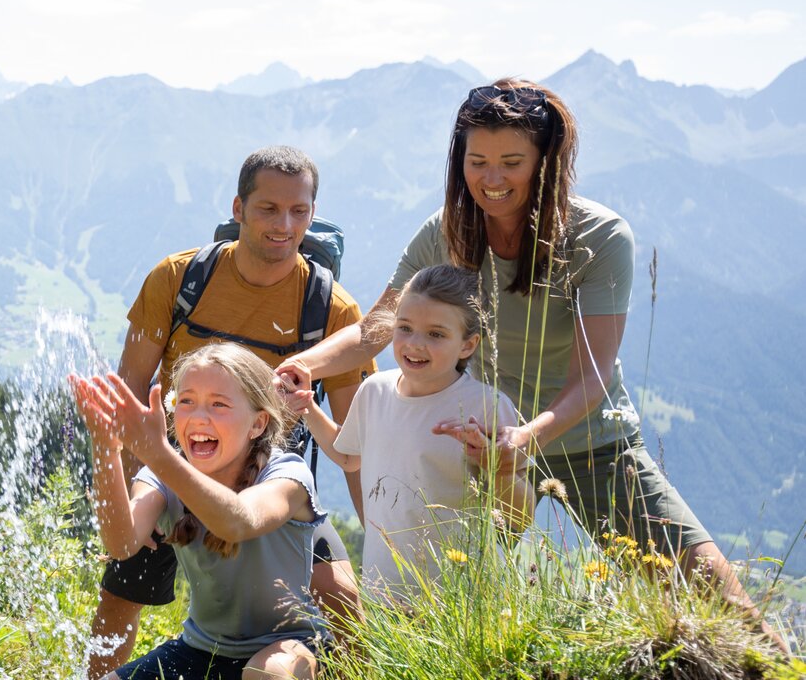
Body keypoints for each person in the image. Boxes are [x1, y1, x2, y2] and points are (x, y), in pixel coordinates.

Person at [275, 78, 785, 648]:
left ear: (547, 160)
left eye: (512, 162)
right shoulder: (446, 230)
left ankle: (774, 660)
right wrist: (305, 367)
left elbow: (593, 376)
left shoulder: (598, 237)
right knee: (444, 612)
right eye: (477, 162)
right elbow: (376, 328)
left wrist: (523, 439)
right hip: (476, 445)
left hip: (590, 442)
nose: (492, 180)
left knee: (714, 596)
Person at [90, 146, 374, 679]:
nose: (284, 225)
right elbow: (130, 393)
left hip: (271, 477)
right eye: (268, 208)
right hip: (180, 459)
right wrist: (134, 480)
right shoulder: (178, 280)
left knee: (343, 603)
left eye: (299, 211)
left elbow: (359, 439)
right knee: (120, 597)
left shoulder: (333, 309)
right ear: (238, 208)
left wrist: (380, 538)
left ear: (313, 214)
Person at [72, 343, 328, 679]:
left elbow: (238, 522)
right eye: (186, 401)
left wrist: (160, 455)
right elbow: (121, 543)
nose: (198, 417)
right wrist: (104, 445)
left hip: (291, 646)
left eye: (219, 404)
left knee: (268, 676)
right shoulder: (161, 475)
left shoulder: (287, 474)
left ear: (257, 424)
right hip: (202, 649)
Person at [283, 264, 533, 600]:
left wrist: (494, 464)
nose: (414, 344)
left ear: (467, 345)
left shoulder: (485, 406)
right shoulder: (374, 391)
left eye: (436, 334)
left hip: (464, 598)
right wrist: (308, 408)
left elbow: (522, 513)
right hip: (386, 592)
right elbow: (347, 456)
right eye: (405, 328)